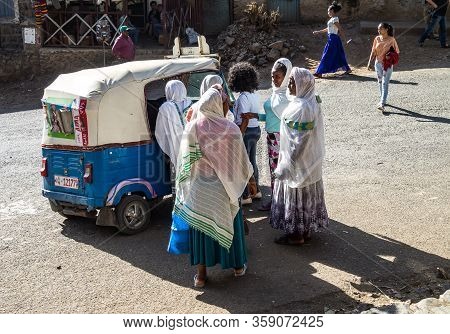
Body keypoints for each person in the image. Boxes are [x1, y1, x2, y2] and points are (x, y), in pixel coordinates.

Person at [172, 86, 253, 288]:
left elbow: (184, 162)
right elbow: (240, 162)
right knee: (230, 225)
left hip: (200, 188)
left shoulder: (192, 127)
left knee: (201, 228)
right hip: (226, 190)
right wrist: (245, 182)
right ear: (219, 104)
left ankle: (200, 277)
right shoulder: (232, 128)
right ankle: (237, 268)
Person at [270, 67, 329, 245]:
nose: (289, 83)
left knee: (296, 194)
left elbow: (300, 140)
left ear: (303, 84)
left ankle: (295, 235)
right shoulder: (310, 102)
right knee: (306, 194)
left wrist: (289, 163)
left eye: (292, 81)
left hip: (298, 161)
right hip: (310, 161)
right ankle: (306, 231)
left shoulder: (302, 107)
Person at [247, 58, 292, 211]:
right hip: (271, 138)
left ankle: (283, 202)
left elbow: (288, 120)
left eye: (278, 76)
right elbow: (273, 116)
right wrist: (256, 116)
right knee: (273, 171)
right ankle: (276, 200)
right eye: (273, 76)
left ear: (286, 76)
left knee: (281, 171)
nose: (274, 79)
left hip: (281, 139)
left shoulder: (289, 97)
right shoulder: (275, 93)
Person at [228, 62, 262, 205]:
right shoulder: (254, 95)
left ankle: (246, 195)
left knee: (243, 164)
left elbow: (244, 120)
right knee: (252, 161)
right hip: (255, 131)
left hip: (245, 132)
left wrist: (239, 136)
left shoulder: (242, 97)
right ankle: (257, 191)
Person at [155, 80, 192, 197]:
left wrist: (169, 148)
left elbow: (160, 133)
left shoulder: (165, 107)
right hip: (193, 147)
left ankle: (181, 207)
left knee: (179, 177)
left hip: (177, 151)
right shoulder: (191, 103)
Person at [367, 23, 400, 112]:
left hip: (387, 65)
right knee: (380, 81)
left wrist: (390, 56)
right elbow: (373, 51)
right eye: (378, 29)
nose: (379, 30)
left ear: (386, 29)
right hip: (377, 64)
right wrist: (369, 62)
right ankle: (383, 99)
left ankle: (382, 102)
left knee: (385, 83)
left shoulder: (391, 40)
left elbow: (397, 52)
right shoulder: (377, 39)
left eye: (381, 29)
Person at [312, 1, 351, 78]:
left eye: (329, 11)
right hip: (332, 39)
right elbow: (328, 29)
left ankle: (319, 72)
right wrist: (318, 32)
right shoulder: (332, 19)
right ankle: (348, 69)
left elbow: (340, 29)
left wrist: (345, 40)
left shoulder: (335, 19)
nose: (328, 13)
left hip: (334, 39)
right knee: (339, 54)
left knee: (326, 55)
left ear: (332, 11)